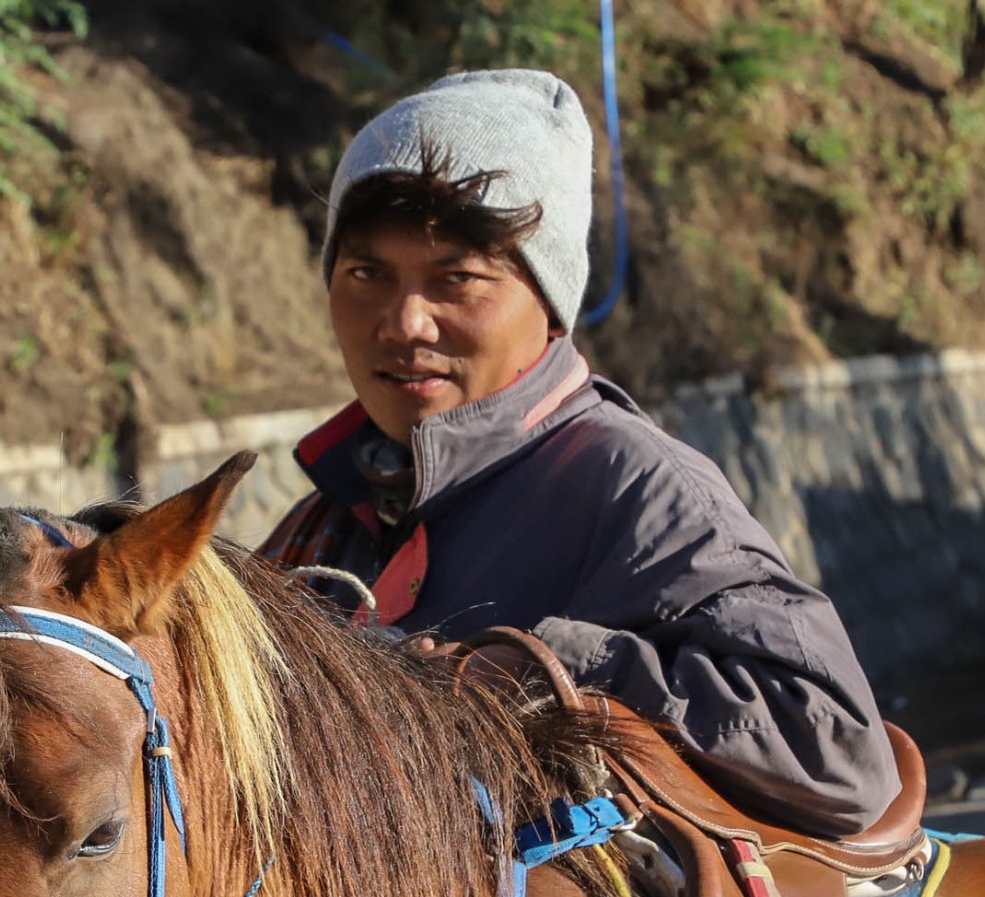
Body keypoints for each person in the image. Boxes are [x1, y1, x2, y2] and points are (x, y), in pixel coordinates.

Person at [261, 69, 898, 836]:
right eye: (367, 273)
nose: (405, 323)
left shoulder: (636, 488)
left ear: (550, 300)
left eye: (456, 277)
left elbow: (838, 748)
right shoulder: (331, 520)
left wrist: (558, 670)